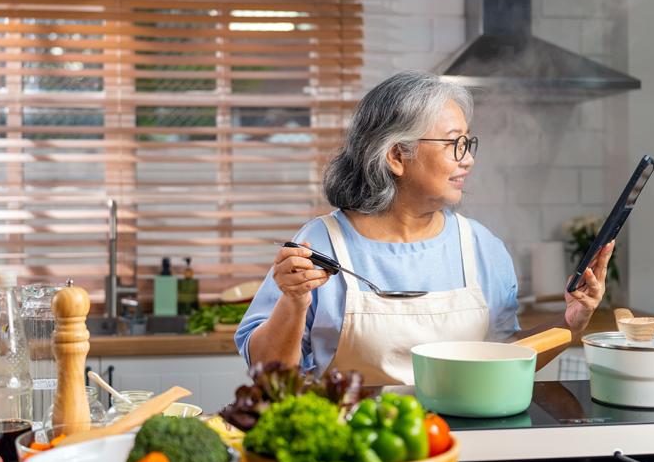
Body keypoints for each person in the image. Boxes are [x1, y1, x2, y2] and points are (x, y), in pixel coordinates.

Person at [234, 71, 613, 385]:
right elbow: (268, 376)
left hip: (461, 440)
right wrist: (293, 303)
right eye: (454, 144)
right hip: (346, 450)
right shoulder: (319, 245)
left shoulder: (480, 245)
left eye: (468, 143)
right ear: (397, 156)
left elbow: (504, 356)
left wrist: (570, 322)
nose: (468, 160)